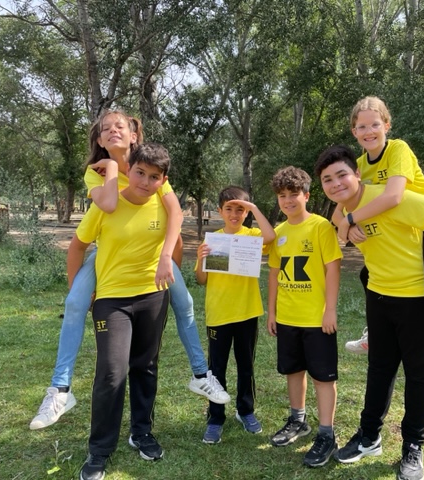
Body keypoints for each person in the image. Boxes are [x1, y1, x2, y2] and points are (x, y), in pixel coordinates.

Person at [30, 110, 227, 431]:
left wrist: (168, 257)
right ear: (99, 140)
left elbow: (175, 213)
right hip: (109, 254)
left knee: (185, 303)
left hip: (153, 256)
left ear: (134, 134)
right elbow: (108, 206)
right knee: (74, 303)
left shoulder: (150, 166)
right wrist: (110, 168)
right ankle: (60, 390)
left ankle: (201, 375)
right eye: (105, 128)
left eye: (119, 126)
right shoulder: (95, 173)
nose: (113, 131)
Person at [316, 144, 424, 480]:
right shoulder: (344, 212)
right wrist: (343, 225)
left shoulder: (388, 198)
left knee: (419, 376)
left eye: (342, 175)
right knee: (379, 369)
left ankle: (413, 446)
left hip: (417, 300)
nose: (336, 183)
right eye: (327, 179)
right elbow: (337, 218)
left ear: (357, 174)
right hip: (379, 296)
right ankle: (369, 436)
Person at [333, 96, 424, 425]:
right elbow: (338, 209)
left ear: (387, 125)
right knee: (368, 275)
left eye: (375, 124)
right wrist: (345, 225)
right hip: (406, 232)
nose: (369, 131)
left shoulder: (398, 149)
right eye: (361, 126)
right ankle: (373, 335)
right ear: (354, 131)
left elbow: (393, 196)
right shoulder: (359, 164)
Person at [75, 143, 173, 480]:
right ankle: (99, 450)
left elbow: (175, 238)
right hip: (112, 300)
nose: (145, 182)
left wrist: (168, 260)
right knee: (112, 372)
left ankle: (141, 432)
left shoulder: (164, 204)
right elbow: (78, 245)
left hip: (153, 297)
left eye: (154, 177)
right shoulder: (107, 204)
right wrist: (78, 292)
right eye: (140, 173)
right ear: (128, 170)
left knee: (145, 366)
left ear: (163, 180)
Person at [267, 166, 342, 468]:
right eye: (282, 196)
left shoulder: (321, 227)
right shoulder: (278, 233)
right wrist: (272, 312)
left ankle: (326, 433)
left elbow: (333, 269)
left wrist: (330, 310)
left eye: (293, 194)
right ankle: (298, 420)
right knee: (293, 371)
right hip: (287, 318)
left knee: (323, 377)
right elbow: (274, 274)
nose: (288, 200)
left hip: (316, 319)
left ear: (307, 195)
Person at [194, 186, 275, 445]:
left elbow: (271, 236)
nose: (234, 214)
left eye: (240, 209)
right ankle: (215, 418)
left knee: (246, 365)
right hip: (218, 314)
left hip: (247, 313)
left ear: (246, 212)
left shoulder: (252, 236)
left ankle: (245, 411)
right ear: (220, 211)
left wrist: (253, 208)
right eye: (229, 208)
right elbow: (201, 280)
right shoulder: (212, 241)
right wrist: (201, 258)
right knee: (216, 369)